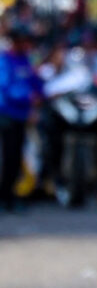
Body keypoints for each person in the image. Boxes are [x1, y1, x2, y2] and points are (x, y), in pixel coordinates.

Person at [0, 25, 43, 211]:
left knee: (17, 157)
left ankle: (10, 195)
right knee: (7, 157)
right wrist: (27, 97)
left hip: (22, 116)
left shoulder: (25, 61)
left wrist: (39, 92)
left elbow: (36, 84)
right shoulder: (5, 61)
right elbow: (6, 88)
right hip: (7, 115)